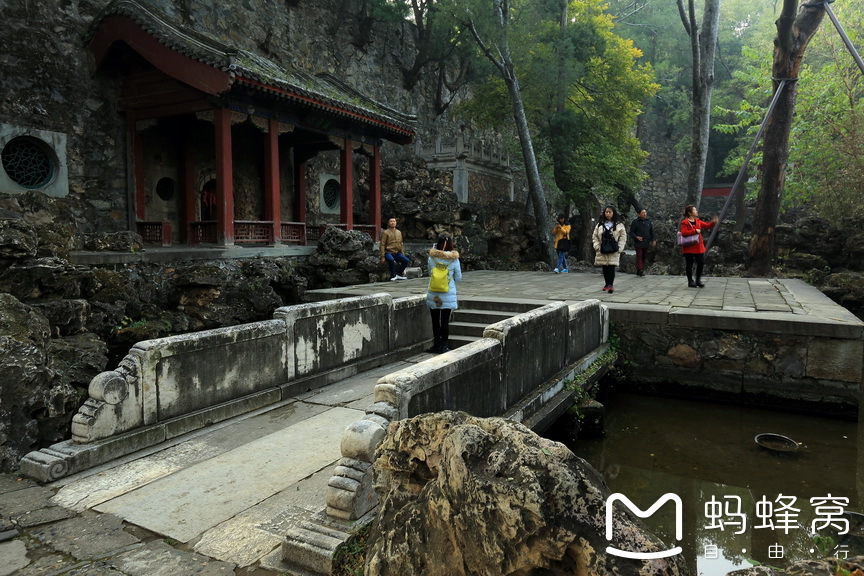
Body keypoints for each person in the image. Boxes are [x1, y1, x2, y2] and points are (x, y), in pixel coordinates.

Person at [426, 233, 462, 354]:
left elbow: (429, 272)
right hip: (448, 293)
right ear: (451, 244)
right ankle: (444, 345)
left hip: (434, 293)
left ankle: (436, 344)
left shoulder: (432, 258)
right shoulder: (454, 260)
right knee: (445, 320)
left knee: (435, 320)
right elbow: (458, 277)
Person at [680, 204, 719, 288]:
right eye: (694, 210)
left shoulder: (698, 221)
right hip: (689, 247)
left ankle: (698, 280)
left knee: (701, 263)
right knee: (689, 264)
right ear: (690, 213)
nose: (696, 211)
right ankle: (690, 281)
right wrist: (695, 231)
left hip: (698, 246)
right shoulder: (684, 222)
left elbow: (707, 226)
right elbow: (684, 233)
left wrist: (713, 222)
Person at [592, 205, 627, 294]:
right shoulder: (600, 224)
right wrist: (597, 246)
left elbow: (623, 236)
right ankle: (607, 284)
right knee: (605, 267)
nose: (608, 214)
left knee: (611, 267)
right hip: (602, 248)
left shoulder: (619, 225)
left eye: (610, 212)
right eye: (606, 212)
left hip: (613, 248)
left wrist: (620, 247)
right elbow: (595, 236)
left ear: (613, 213)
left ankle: (610, 284)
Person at [629, 208, 656, 277]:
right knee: (639, 255)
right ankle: (640, 269)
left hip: (646, 242)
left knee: (644, 256)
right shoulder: (635, 222)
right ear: (639, 214)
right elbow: (631, 232)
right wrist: (636, 237)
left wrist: (653, 240)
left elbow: (652, 232)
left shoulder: (648, 222)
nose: (645, 214)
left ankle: (639, 269)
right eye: (643, 213)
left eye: (645, 212)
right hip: (638, 242)